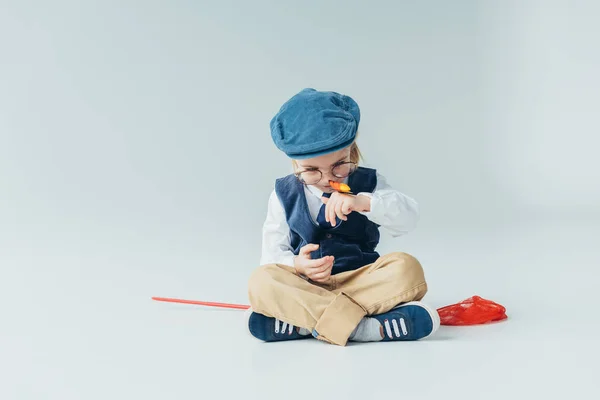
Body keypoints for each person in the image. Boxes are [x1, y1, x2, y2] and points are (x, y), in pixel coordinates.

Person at [246, 88, 440, 346]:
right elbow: (270, 257)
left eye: (339, 165)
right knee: (261, 282)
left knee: (407, 268)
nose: (327, 179)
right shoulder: (282, 194)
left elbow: (409, 218)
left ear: (352, 150)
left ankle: (306, 323)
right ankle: (365, 328)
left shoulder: (367, 183)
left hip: (361, 281)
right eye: (312, 170)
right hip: (308, 287)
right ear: (295, 164)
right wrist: (297, 265)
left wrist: (363, 202)